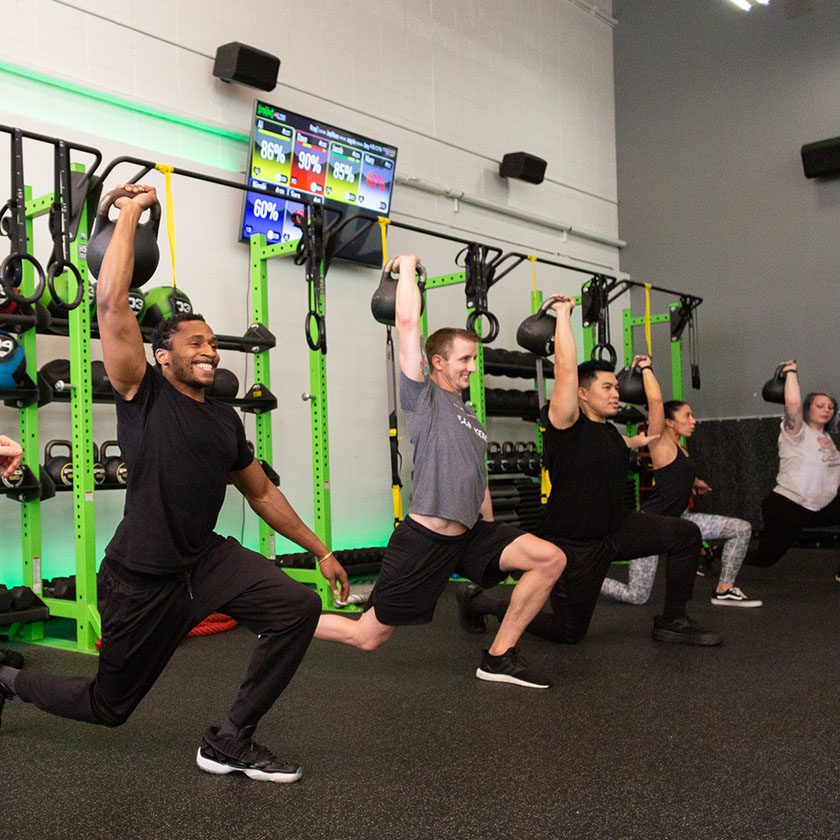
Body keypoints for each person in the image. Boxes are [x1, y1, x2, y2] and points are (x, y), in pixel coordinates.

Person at [0, 183, 349, 784]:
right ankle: (6, 679)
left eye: (213, 342)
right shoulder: (143, 393)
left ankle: (230, 739)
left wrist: (319, 551)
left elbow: (260, 491)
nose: (210, 350)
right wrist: (130, 213)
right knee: (108, 708)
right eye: (196, 343)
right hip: (142, 578)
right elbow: (110, 305)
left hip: (203, 560)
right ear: (163, 356)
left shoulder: (223, 418)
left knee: (295, 606)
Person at [313, 254, 567, 689]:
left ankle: (498, 657)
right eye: (464, 359)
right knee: (367, 635)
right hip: (425, 541)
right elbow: (408, 325)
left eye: (473, 359)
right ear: (437, 363)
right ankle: (283, 616)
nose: (472, 366)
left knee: (549, 559)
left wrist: (489, 526)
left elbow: (476, 476)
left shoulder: (469, 414)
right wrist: (409, 268)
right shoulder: (424, 399)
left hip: (470, 534)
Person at [459, 295, 723, 646]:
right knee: (569, 633)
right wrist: (564, 315)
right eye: (608, 387)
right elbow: (566, 371)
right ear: (581, 394)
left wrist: (646, 374)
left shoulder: (611, 433)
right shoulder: (565, 423)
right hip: (575, 544)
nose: (617, 394)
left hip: (619, 529)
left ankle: (673, 620)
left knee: (685, 535)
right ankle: (481, 602)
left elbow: (652, 430)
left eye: (616, 387)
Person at [601, 399, 761, 607]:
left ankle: (724, 590)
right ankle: (587, 580)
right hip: (649, 527)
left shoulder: (681, 448)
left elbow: (676, 471)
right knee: (637, 596)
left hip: (679, 522)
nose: (693, 421)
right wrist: (646, 368)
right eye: (687, 416)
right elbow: (656, 402)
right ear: (669, 422)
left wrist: (694, 481)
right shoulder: (660, 443)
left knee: (740, 528)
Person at [746, 359, 840, 583]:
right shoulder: (796, 432)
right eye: (820, 405)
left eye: (830, 407)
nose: (826, 410)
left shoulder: (829, 440)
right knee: (765, 558)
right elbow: (793, 406)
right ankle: (715, 556)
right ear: (808, 408)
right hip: (789, 506)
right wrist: (791, 373)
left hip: (820, 507)